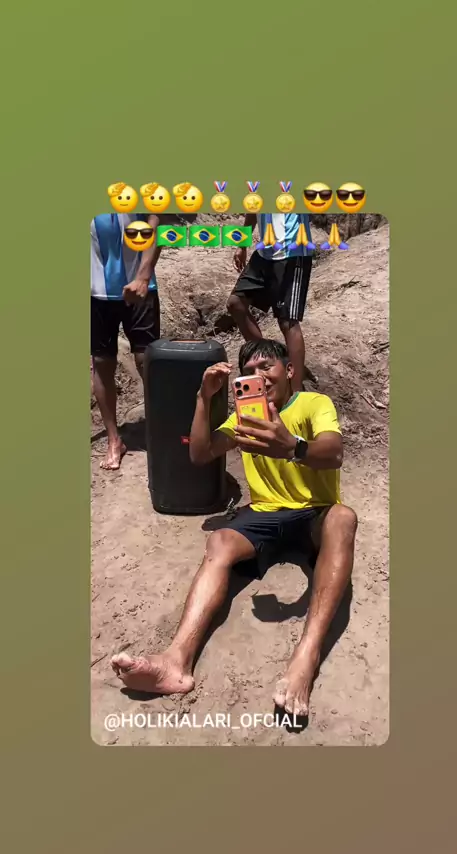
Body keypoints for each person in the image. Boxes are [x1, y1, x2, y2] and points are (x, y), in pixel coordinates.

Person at [111, 339, 357, 716]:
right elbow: (200, 453)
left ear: (289, 371)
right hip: (264, 513)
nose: (259, 376)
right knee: (221, 541)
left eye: (266, 367)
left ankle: (306, 657)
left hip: (314, 513)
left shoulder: (313, 404)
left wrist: (294, 447)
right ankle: (176, 661)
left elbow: (334, 452)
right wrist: (203, 398)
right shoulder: (244, 417)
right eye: (249, 372)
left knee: (344, 517)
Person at [91, 212, 161, 470]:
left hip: (140, 287)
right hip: (96, 292)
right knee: (101, 362)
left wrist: (144, 275)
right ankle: (114, 440)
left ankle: (162, 428)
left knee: (147, 360)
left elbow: (156, 222)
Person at [227, 213, 315, 393]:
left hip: (292, 251)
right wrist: (242, 245)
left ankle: (296, 391)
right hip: (264, 252)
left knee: (287, 321)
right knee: (236, 303)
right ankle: (270, 359)